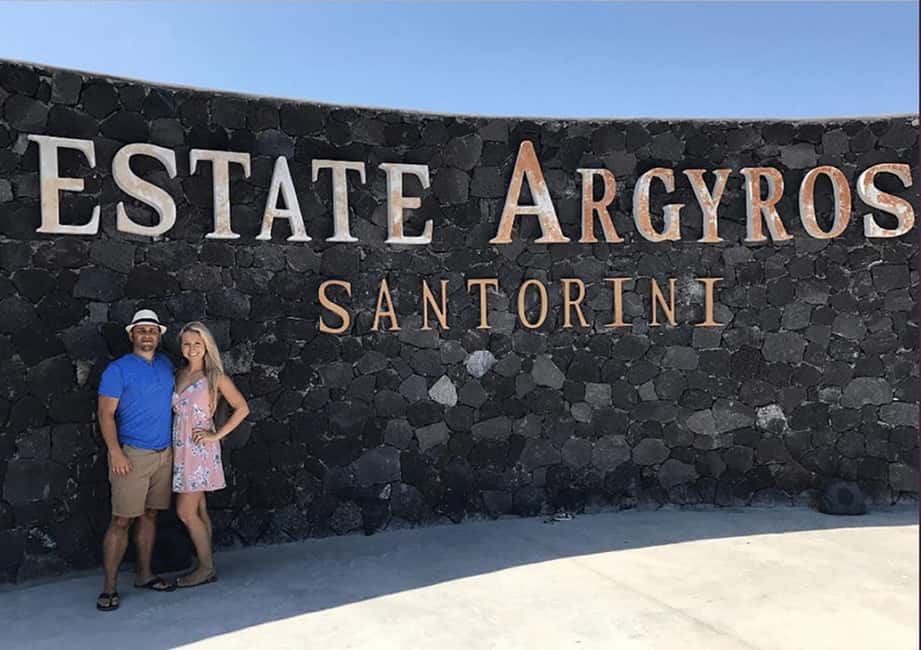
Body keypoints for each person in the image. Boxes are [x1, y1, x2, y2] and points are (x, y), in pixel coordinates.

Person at [96, 309, 177, 612]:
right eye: (141, 330)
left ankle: (144, 575)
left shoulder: (166, 365)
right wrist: (115, 452)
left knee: (151, 515)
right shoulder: (117, 370)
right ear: (132, 335)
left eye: (152, 331)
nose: (147, 335)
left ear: (159, 336)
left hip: (164, 454)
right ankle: (109, 587)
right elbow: (105, 414)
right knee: (121, 520)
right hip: (131, 456)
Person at [172, 321, 249, 588]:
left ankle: (205, 568)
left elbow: (242, 408)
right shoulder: (179, 374)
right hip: (180, 449)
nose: (192, 348)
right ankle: (208, 565)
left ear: (206, 346)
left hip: (198, 452)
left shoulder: (215, 377)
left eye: (197, 343)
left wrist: (216, 435)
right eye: (187, 343)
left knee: (185, 512)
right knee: (199, 508)